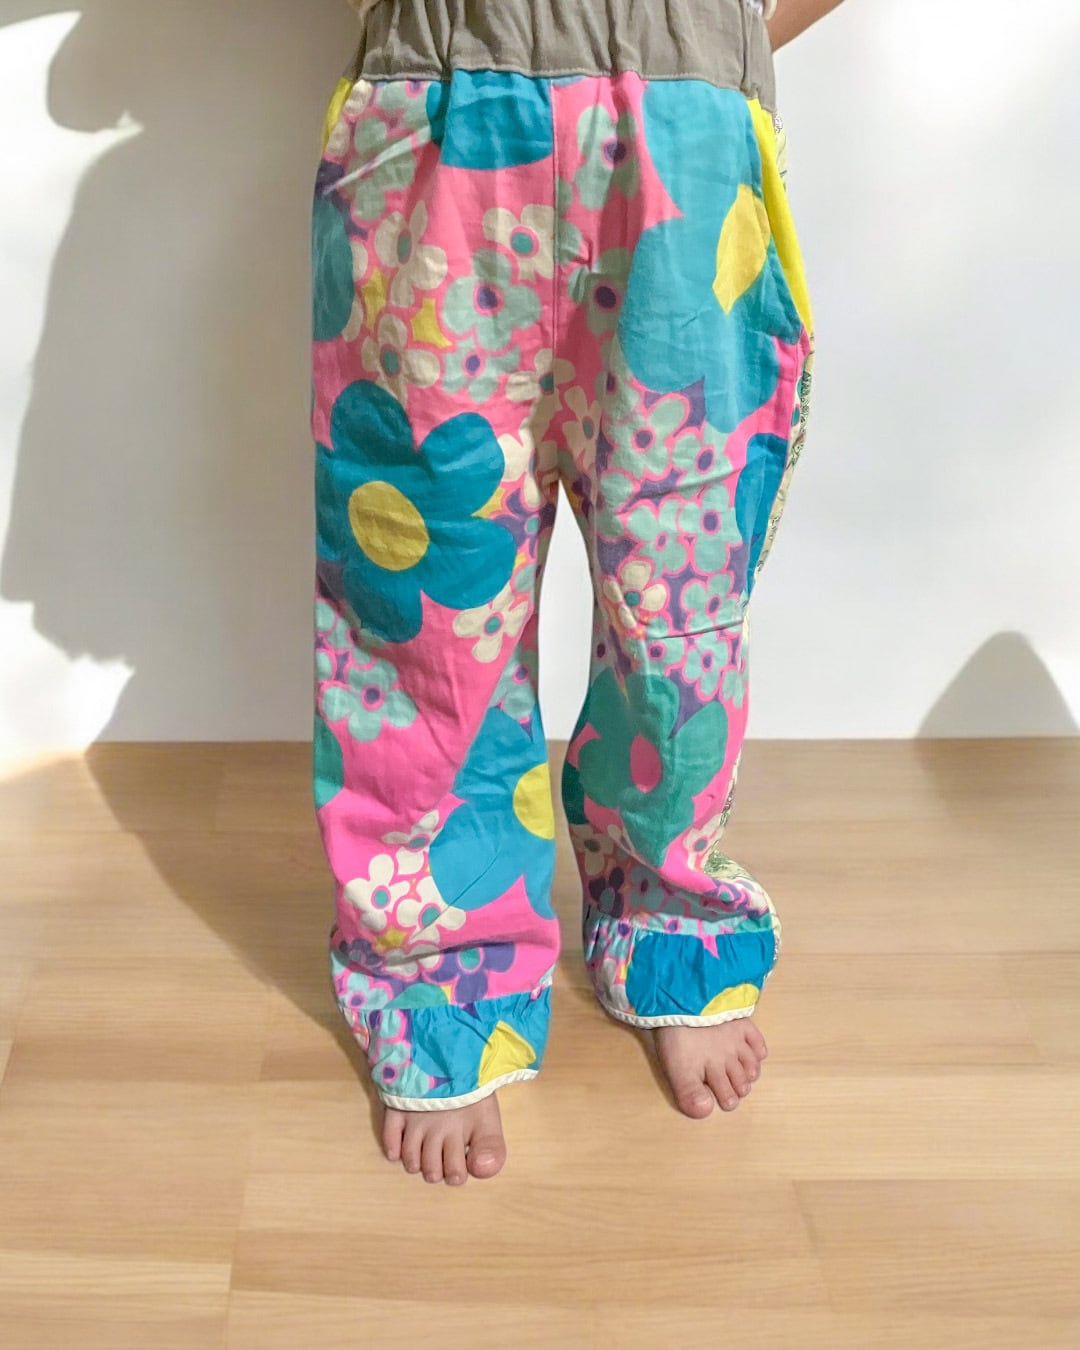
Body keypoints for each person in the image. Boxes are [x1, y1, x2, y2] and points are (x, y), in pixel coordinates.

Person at [311, 0, 842, 1185]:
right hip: (441, 107)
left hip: (686, 124)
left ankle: (668, 908)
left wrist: (724, 26)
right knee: (422, 601)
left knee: (680, 599)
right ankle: (437, 966)